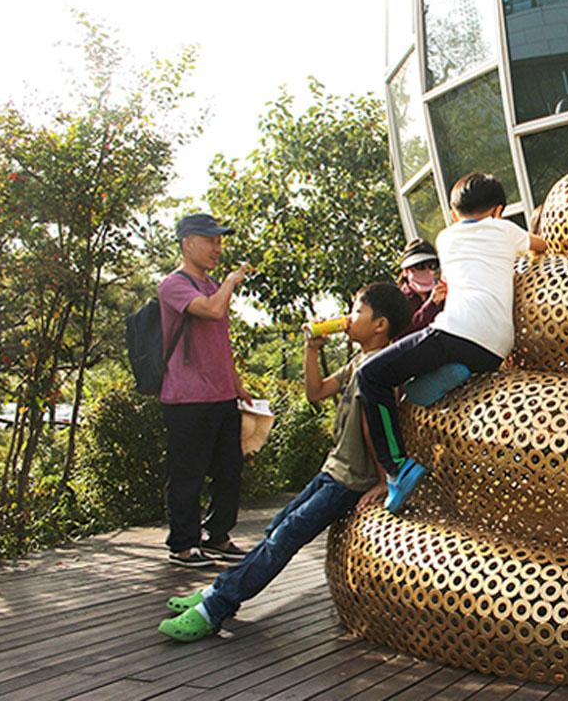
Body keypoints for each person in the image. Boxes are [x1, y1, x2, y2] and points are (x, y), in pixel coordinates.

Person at [156, 283, 412, 641]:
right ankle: (217, 591)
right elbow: (316, 392)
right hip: (331, 471)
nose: (348, 318)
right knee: (277, 529)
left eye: (357, 311)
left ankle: (215, 608)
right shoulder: (358, 362)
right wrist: (311, 349)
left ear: (380, 325)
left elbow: (376, 427)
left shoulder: (381, 367)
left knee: (284, 539)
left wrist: (386, 479)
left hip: (349, 481)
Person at [357, 173, 547, 514]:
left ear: (454, 212)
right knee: (415, 391)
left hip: (457, 331)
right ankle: (446, 378)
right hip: (495, 347)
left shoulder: (446, 238)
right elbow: (541, 246)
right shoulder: (505, 230)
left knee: (371, 376)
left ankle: (398, 468)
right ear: (499, 210)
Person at [159, 213, 253, 568]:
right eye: (210, 240)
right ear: (187, 243)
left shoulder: (214, 284)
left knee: (229, 472)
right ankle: (183, 545)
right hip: (187, 398)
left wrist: (236, 384)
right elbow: (212, 313)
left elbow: (220, 342)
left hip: (221, 395)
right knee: (188, 473)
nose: (218, 247)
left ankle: (218, 536)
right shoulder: (173, 285)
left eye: (219, 240)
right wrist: (230, 281)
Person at [396, 239, 445, 337]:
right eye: (420, 266)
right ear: (406, 271)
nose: (428, 271)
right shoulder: (398, 301)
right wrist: (431, 304)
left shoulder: (442, 295)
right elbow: (402, 335)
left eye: (432, 266)